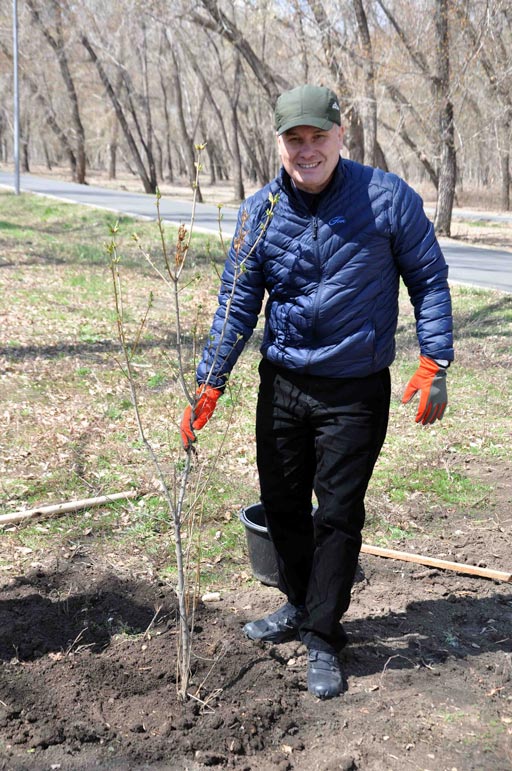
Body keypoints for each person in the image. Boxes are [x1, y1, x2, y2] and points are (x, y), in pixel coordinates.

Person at [180, 84, 453, 699]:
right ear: (279, 143)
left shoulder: (387, 199)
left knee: (336, 513)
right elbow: (235, 305)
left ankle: (325, 638)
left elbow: (430, 280)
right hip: (283, 383)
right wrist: (210, 380)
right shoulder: (261, 213)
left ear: (340, 135)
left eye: (317, 138)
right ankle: (302, 606)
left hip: (355, 388)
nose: (307, 151)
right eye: (294, 140)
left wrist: (435, 359)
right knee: (280, 506)